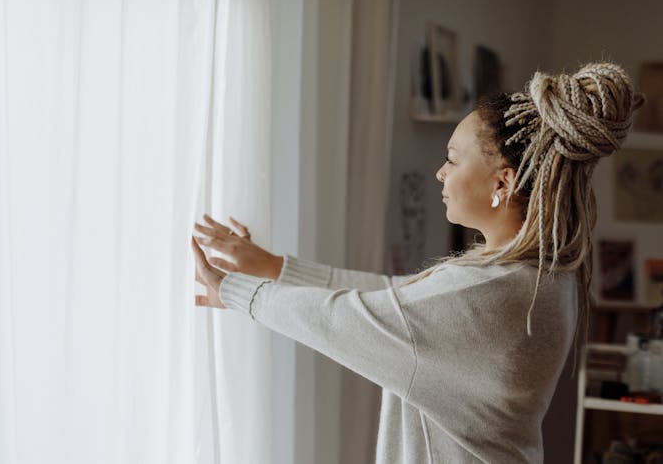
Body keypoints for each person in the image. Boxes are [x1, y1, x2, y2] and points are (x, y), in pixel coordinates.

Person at [190, 62, 645, 463]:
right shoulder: (540, 273)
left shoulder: (492, 292)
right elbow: (398, 300)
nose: (440, 173)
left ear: (503, 183)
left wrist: (235, 290)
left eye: (452, 158)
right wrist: (272, 267)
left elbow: (349, 319)